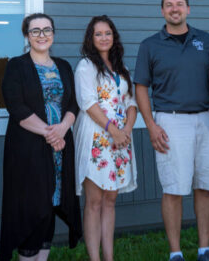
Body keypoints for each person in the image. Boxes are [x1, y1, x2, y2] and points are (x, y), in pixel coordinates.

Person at [134, 0, 209, 261]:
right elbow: (140, 88)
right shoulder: (150, 45)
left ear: (188, 9)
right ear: (162, 11)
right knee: (173, 188)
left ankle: (204, 249)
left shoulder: (206, 40)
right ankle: (176, 253)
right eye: (169, 5)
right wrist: (150, 125)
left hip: (207, 118)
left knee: (205, 186)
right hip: (169, 122)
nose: (175, 8)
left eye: (180, 4)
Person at [0, 13, 82, 261]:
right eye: (35, 30)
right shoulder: (16, 65)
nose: (41, 35)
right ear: (27, 35)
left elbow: (74, 103)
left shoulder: (64, 66)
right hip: (28, 150)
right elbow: (18, 108)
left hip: (60, 149)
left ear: (53, 34)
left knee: (50, 206)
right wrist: (52, 134)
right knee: (32, 208)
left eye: (46, 30)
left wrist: (63, 128)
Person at [74, 15, 138, 261]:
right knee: (95, 201)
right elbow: (88, 103)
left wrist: (126, 131)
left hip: (121, 139)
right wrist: (113, 130)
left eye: (107, 33)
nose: (103, 37)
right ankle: (95, 258)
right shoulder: (85, 66)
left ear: (114, 37)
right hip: (97, 138)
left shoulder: (122, 67)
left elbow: (131, 102)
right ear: (91, 38)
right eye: (98, 33)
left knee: (111, 199)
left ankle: (109, 257)